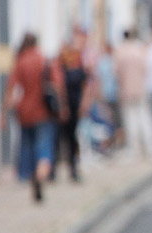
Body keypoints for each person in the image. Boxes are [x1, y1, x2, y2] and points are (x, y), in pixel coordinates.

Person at [6, 33, 63, 203]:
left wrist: (4, 112)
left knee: (28, 148)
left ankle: (31, 178)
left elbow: (11, 88)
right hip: (43, 111)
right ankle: (41, 176)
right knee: (44, 149)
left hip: (25, 112)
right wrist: (62, 106)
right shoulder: (44, 60)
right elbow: (57, 84)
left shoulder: (20, 61)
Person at [54, 27, 93, 181]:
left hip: (75, 105)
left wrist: (84, 103)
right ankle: (54, 170)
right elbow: (59, 86)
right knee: (59, 137)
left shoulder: (79, 64)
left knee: (72, 137)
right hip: (63, 105)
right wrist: (62, 105)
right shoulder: (61, 65)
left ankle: (73, 169)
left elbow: (85, 86)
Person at [115, 29, 152, 158]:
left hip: (127, 89)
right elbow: (146, 69)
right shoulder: (140, 50)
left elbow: (117, 72)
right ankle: (149, 145)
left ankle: (135, 147)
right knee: (144, 118)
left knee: (131, 120)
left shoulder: (121, 51)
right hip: (140, 88)